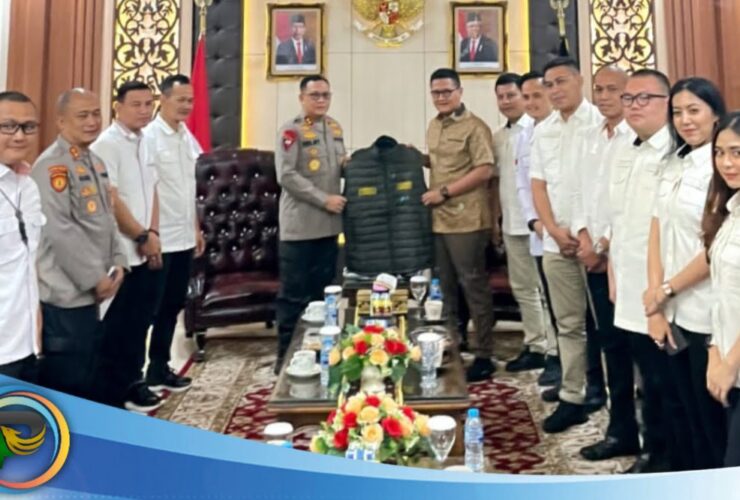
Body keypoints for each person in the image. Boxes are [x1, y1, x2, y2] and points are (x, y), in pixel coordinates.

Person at [644, 77, 727, 470]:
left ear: (716, 114)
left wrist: (666, 289)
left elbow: (716, 247)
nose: (685, 120)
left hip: (708, 313)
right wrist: (656, 301)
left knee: (712, 423)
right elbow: (657, 230)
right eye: (677, 112)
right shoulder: (674, 162)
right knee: (682, 413)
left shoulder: (723, 166)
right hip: (672, 310)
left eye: (694, 110)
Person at [607, 69, 680, 473]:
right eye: (628, 99)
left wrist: (659, 293)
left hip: (662, 290)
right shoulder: (626, 148)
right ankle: (650, 450)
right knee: (644, 377)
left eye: (644, 98)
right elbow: (619, 219)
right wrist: (614, 272)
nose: (634, 106)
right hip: (629, 282)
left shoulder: (675, 152)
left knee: (664, 381)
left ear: (667, 102)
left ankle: (665, 459)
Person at [31, 88, 125, 399]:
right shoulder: (51, 166)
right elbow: (60, 231)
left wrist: (119, 260)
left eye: (96, 114)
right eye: (82, 115)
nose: (92, 121)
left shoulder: (94, 161)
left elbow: (107, 218)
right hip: (66, 295)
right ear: (61, 121)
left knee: (93, 375)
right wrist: (95, 278)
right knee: (69, 383)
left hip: (98, 291)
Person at [571, 66, 641, 461]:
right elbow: (580, 192)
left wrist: (603, 246)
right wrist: (584, 236)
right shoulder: (591, 136)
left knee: (640, 352)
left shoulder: (637, 138)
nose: (603, 96)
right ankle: (621, 430)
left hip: (628, 260)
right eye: (598, 89)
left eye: (613, 89)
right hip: (594, 258)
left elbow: (632, 205)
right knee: (609, 346)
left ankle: (655, 436)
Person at [530, 56, 602, 433]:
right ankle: (572, 396)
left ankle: (609, 392)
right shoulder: (543, 130)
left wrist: (586, 233)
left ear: (580, 80)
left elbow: (602, 187)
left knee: (607, 326)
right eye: (549, 84)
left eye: (561, 81)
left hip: (597, 245)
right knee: (569, 324)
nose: (555, 90)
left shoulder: (601, 123)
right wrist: (554, 231)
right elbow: (538, 185)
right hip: (557, 243)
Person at [91, 81, 163, 413]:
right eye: (136, 104)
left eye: (149, 104)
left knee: (139, 323)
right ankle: (111, 395)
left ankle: (134, 381)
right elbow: (113, 199)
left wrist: (154, 233)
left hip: (146, 245)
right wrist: (141, 236)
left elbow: (153, 190)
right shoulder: (106, 145)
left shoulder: (146, 140)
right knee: (116, 328)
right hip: (121, 252)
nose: (144, 110)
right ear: (117, 106)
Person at [424, 68, 496, 382]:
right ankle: (454, 343)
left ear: (460, 92)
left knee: (474, 286)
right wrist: (418, 159)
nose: (441, 97)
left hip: (467, 219)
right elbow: (444, 163)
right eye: (436, 92)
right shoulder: (434, 125)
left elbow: (484, 170)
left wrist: (444, 192)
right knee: (446, 288)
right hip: (440, 220)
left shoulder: (475, 127)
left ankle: (484, 354)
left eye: (447, 92)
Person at [274, 75, 346, 373]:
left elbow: (338, 166)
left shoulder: (334, 128)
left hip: (328, 227)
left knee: (324, 296)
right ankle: (285, 357)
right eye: (314, 95)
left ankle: (318, 354)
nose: (321, 100)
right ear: (301, 98)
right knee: (294, 297)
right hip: (300, 228)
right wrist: (324, 199)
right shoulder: (290, 131)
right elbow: (286, 175)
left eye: (325, 95)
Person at [143, 74, 204, 393]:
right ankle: (136, 373)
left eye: (190, 100)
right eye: (180, 100)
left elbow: (189, 190)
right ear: (163, 99)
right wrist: (149, 233)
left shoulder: (185, 136)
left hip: (183, 236)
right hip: (160, 238)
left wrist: (196, 228)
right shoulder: (150, 137)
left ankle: (159, 367)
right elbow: (146, 190)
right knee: (150, 308)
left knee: (172, 305)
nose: (186, 106)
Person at [490, 72, 548, 373]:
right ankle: (536, 343)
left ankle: (552, 348)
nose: (506, 101)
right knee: (523, 288)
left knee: (545, 289)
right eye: (500, 97)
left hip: (540, 224)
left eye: (512, 95)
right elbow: (497, 182)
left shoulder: (540, 129)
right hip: (512, 221)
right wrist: (496, 220)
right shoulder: (499, 137)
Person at [515, 71, 561, 388]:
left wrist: (553, 224)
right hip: (539, 231)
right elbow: (523, 185)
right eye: (527, 97)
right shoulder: (524, 134)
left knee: (568, 309)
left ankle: (573, 367)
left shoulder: (563, 129)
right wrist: (534, 221)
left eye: (537, 95)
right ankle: (556, 357)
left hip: (564, 231)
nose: (531, 103)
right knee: (548, 298)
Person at [702, 111, 740, 467]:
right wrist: (715, 351)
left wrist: (730, 363)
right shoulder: (730, 210)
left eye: (737, 153)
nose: (727, 163)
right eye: (720, 152)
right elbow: (721, 294)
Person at [0, 91, 44, 383]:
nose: (19, 136)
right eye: (8, 126)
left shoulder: (28, 187)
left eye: (28, 127)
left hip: (27, 345)